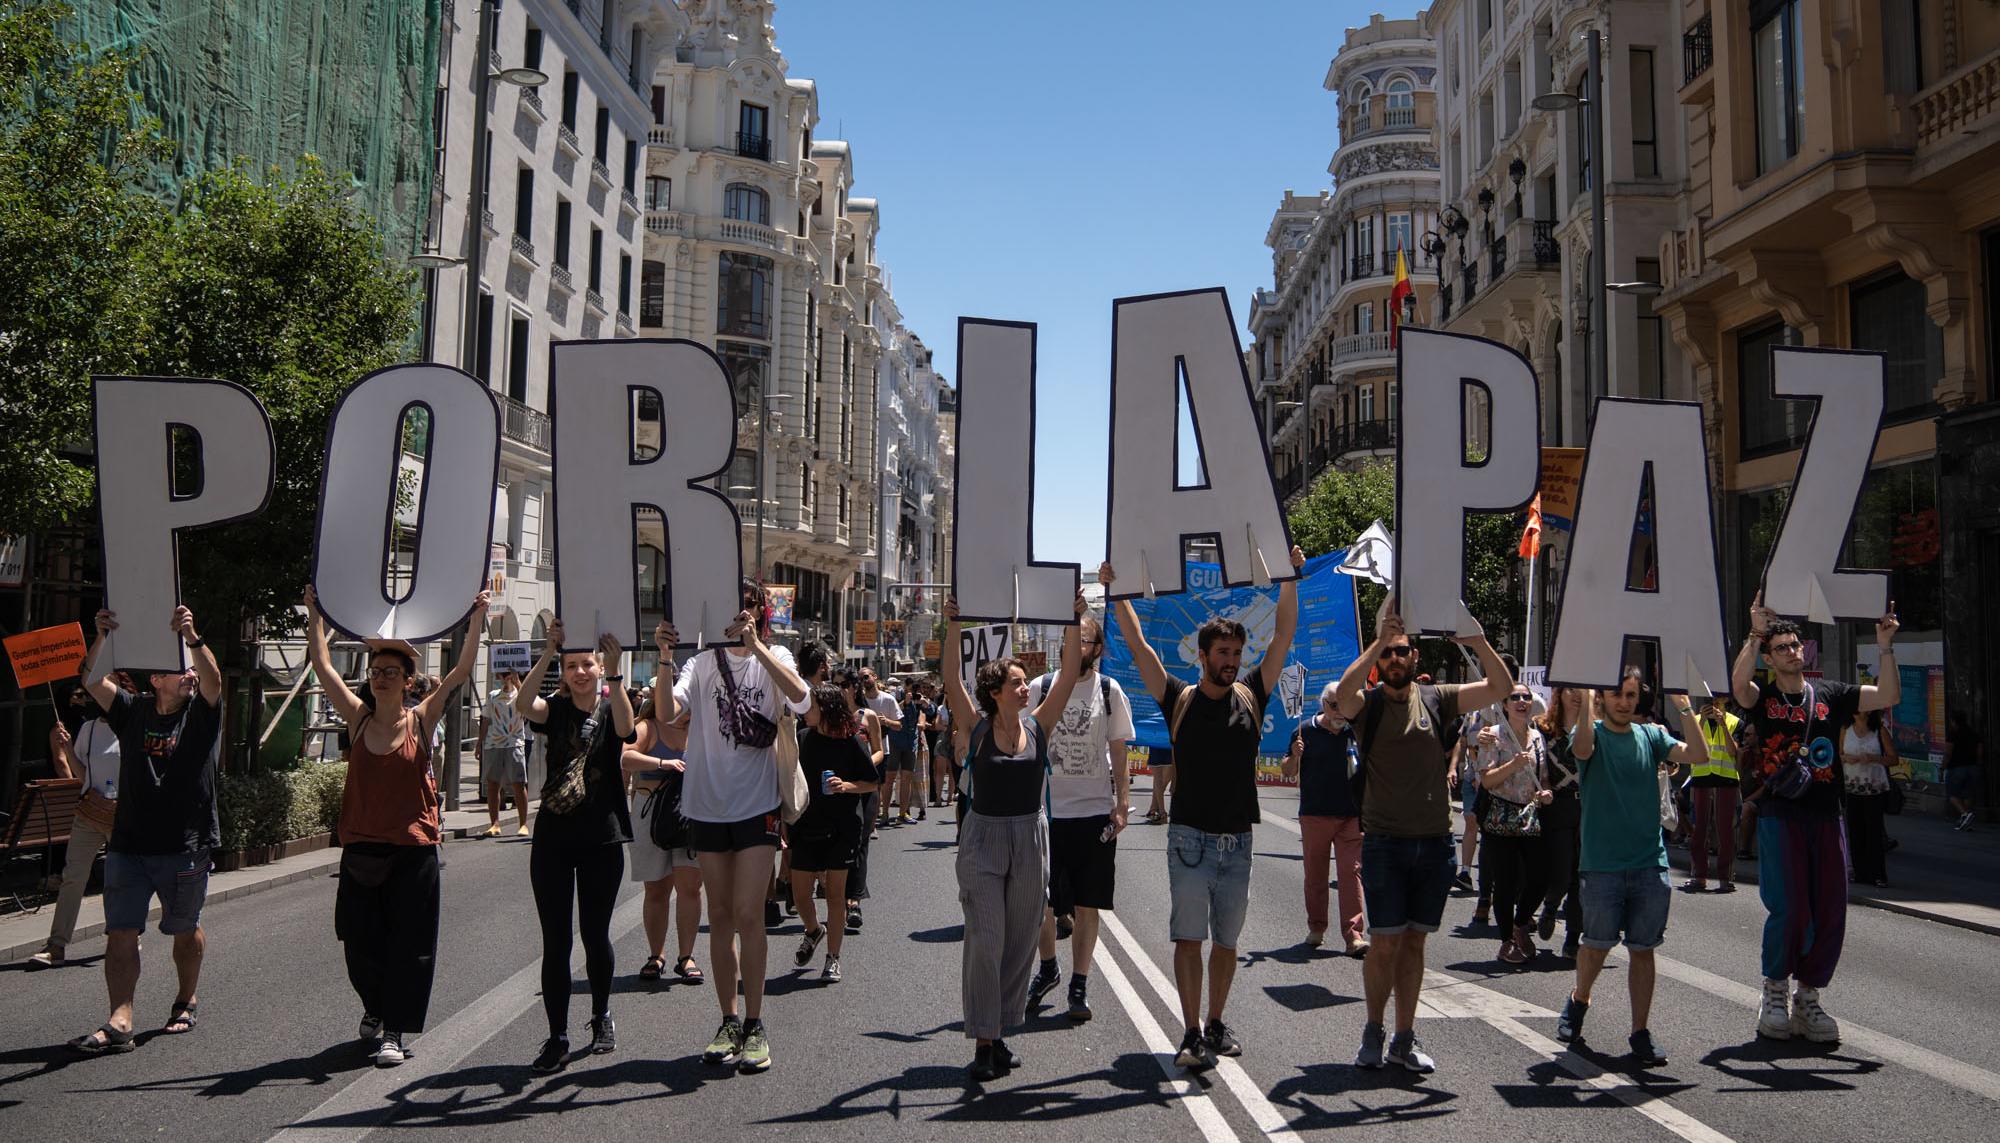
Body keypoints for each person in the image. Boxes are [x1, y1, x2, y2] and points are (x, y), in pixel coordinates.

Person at [1107, 547, 1305, 1071]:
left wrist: (1288, 578)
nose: (1231, 661)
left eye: (1236, 653)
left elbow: (1282, 635)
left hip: (1239, 841)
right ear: (1203, 655)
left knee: (1227, 943)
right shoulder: (1179, 698)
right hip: (1189, 841)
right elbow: (1138, 644)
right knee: (1189, 939)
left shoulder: (1252, 695)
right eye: (1222, 652)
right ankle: (1191, 1031)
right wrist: (1116, 591)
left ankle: (1216, 1022)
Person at [305, 586, 487, 1066]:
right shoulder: (358, 719)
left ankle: (395, 1031)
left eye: (390, 672)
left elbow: (461, 673)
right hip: (362, 851)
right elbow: (323, 667)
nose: (380, 678)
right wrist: (314, 613)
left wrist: (477, 617)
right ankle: (374, 1006)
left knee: (410, 944)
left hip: (413, 851)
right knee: (358, 941)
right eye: (375, 672)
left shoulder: (421, 721)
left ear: (408, 681)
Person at [1334, 596, 1513, 1074]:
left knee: (1415, 944)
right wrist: (1376, 641)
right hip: (1385, 844)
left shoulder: (1439, 698)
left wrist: (1471, 635)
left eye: (1401, 651)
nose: (1394, 658)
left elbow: (1502, 685)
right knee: (1385, 942)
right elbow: (1342, 696)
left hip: (1434, 844)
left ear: (1416, 658)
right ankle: (1372, 1032)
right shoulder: (1367, 705)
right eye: (1388, 653)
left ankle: (1403, 1038)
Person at [651, 579, 811, 1074]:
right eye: (731, 609)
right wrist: (662, 656)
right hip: (706, 805)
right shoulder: (700, 663)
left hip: (757, 806)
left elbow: (802, 699)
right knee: (719, 916)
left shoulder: (777, 653)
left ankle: (757, 1024)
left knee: (747, 913)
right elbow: (664, 714)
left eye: (746, 608)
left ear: (759, 613)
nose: (737, 616)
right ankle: (728, 1019)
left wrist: (757, 648)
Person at [1733, 595, 1900, 1044]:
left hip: (1827, 814)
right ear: (1770, 658)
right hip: (1780, 815)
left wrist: (1884, 646)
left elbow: (1888, 695)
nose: (1793, 652)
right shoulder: (1763, 697)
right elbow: (1738, 685)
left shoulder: (1830, 694)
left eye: (1796, 645)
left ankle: (1809, 998)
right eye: (1783, 648)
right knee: (1789, 909)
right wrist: (1754, 633)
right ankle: (1773, 991)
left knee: (1828, 910)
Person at [941, 591, 1085, 1083]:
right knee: (986, 937)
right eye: (1018, 683)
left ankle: (1000, 1033)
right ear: (996, 691)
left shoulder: (1039, 727)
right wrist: (955, 624)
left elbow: (1067, 675)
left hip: (1030, 836)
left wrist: (1072, 617)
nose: (1027, 688)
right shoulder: (974, 728)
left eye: (1026, 683)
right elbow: (949, 679)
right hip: (983, 839)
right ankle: (983, 1040)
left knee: (1021, 940)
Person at [67, 604, 224, 1055]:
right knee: (121, 930)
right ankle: (121, 1019)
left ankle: (185, 997)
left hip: (185, 847)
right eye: (179, 670)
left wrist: (193, 639)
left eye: (189, 667)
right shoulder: (132, 711)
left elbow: (212, 680)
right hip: (129, 846)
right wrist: (104, 637)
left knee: (183, 928)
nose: (189, 674)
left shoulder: (201, 713)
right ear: (156, 680)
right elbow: (92, 681)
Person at [1556, 673, 1705, 1066]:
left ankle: (1640, 1032)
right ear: (1603, 697)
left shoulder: (1652, 736)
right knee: (1597, 944)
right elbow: (1583, 749)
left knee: (1643, 950)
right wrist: (1588, 698)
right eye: (1617, 694)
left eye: (1631, 695)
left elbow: (1699, 756)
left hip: (1648, 863)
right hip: (1602, 865)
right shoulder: (1591, 734)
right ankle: (1579, 999)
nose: (1625, 702)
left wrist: (1686, 706)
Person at [516, 619, 636, 1074]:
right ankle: (557, 1035)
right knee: (555, 940)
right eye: (572, 666)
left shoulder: (612, 704)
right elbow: (524, 704)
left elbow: (626, 730)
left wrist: (615, 672)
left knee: (595, 933)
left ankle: (601, 1013)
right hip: (553, 837)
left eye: (587, 664)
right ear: (564, 673)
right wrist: (547, 653)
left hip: (602, 837)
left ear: (598, 665)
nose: (581, 672)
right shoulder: (555, 711)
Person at [1023, 613, 1136, 1022]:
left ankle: (1079, 982)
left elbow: (1120, 754)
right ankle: (1049, 967)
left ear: (1098, 649)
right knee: (1043, 902)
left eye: (1084, 640)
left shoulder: (1109, 690)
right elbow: (1025, 745)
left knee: (1089, 904)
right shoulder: (1043, 687)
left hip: (1093, 814)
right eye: (1072, 639)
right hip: (1048, 814)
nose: (1076, 646)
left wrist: (1121, 805)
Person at [30, 665, 134, 969]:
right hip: (89, 813)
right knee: (72, 878)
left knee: (119, 881)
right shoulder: (89, 729)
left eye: (109, 687)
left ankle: (123, 935)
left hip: (122, 815)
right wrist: (66, 749)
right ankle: (56, 946)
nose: (101, 694)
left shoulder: (134, 727)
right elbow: (81, 775)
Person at [789, 680, 880, 982]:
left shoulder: (851, 741)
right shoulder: (802, 737)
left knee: (835, 896)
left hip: (842, 827)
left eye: (811, 706)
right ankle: (814, 930)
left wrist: (846, 786)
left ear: (825, 709)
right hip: (805, 825)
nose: (806, 711)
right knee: (800, 894)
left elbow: (872, 781)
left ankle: (833, 958)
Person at [1281, 683, 1368, 956]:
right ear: (1323, 705)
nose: (1340, 711)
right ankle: (1317, 927)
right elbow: (1286, 771)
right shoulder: (1303, 731)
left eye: (1344, 704)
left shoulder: (1357, 731)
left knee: (1350, 873)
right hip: (1315, 814)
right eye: (1334, 705)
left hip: (1351, 815)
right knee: (1316, 875)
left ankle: (1354, 935)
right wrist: (1294, 755)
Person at [623, 698, 705, 984]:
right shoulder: (648, 726)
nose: (686, 711)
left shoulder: (703, 729)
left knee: (690, 888)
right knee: (656, 889)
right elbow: (624, 756)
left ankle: (687, 957)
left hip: (691, 812)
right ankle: (656, 955)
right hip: (651, 812)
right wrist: (662, 762)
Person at [1475, 684, 1553, 965]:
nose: (1522, 701)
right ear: (1504, 705)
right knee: (1505, 882)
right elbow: (1487, 780)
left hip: (1529, 816)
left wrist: (1546, 792)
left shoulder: (1537, 738)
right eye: (1515, 697)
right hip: (1500, 816)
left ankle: (1521, 924)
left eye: (1526, 697)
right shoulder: (1492, 737)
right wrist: (1513, 765)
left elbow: (1542, 777)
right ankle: (1506, 940)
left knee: (1541, 876)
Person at [1534, 687, 1585, 958]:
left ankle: (1573, 939)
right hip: (1557, 806)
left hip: (1588, 808)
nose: (1577, 696)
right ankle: (1551, 905)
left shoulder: (1593, 728)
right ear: (1559, 693)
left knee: (1581, 876)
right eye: (1571, 690)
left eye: (1582, 691)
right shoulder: (1543, 728)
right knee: (1562, 872)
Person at [1683, 695, 1742, 892]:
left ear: (1726, 701)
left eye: (1719, 701)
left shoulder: (1734, 722)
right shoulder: (1696, 720)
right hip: (1701, 776)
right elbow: (1690, 746)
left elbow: (1733, 752)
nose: (1715, 704)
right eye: (1711, 701)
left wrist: (1723, 724)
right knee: (1699, 828)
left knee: (1725, 829)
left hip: (1726, 778)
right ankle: (1699, 875)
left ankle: (1725, 877)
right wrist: (1700, 721)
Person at [1841, 709, 1896, 888]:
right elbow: (1838, 755)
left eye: (1861, 708)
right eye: (1854, 708)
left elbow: (1893, 759)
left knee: (1874, 832)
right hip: (1852, 786)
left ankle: (1878, 874)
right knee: (1856, 832)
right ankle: (1860, 872)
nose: (1857, 711)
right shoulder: (1845, 729)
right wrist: (1845, 758)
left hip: (1874, 788)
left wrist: (1873, 758)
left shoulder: (1879, 730)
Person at [478, 669, 532, 837]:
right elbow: (485, 718)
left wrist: (516, 682)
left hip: (514, 743)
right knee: (493, 784)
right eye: (504, 675)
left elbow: (528, 706)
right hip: (494, 743)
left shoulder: (520, 694)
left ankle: (523, 824)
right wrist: (480, 743)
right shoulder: (493, 695)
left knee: (518, 783)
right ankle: (494, 823)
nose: (506, 678)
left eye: (509, 674)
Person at [858, 668, 904, 825]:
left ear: (874, 677)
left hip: (882, 748)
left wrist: (886, 721)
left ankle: (881, 814)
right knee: (867, 785)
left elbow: (899, 725)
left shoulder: (888, 699)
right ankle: (870, 818)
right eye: (860, 679)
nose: (863, 681)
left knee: (879, 784)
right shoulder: (859, 700)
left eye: (865, 677)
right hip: (862, 749)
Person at [883, 676, 923, 825]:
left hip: (910, 742)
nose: (913, 692)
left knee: (907, 778)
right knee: (890, 778)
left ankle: (903, 813)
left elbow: (928, 712)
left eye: (915, 689)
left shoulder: (917, 699)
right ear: (905, 686)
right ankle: (885, 813)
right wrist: (905, 702)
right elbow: (892, 713)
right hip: (895, 741)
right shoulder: (894, 696)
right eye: (911, 688)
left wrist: (923, 703)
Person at [1945, 709, 1982, 830]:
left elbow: (1948, 753)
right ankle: (1965, 821)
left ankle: (1965, 814)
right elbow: (1979, 752)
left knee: (1952, 795)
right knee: (1967, 795)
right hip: (1973, 768)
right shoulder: (1974, 734)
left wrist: (1942, 767)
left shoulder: (1953, 734)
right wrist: (1977, 765)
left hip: (1957, 768)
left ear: (1954, 721)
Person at [1142, 745, 1175, 824]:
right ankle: (1154, 808)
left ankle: (1161, 812)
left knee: (1158, 780)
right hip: (1170, 744)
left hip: (1156, 741)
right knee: (1162, 780)